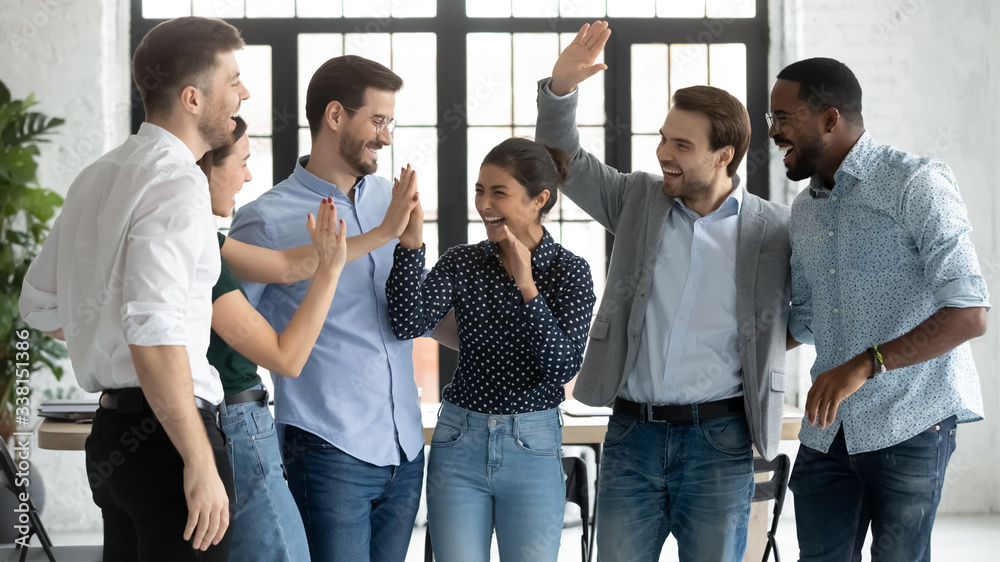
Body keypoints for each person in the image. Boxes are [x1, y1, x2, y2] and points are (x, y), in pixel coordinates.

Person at [535, 21, 795, 562]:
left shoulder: (773, 231)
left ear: (724, 155)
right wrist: (561, 90)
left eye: (681, 144)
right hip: (633, 436)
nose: (662, 153)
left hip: (720, 442)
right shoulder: (638, 200)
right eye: (662, 137)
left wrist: (761, 344)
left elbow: (801, 316)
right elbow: (565, 164)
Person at [19, 16, 249, 561]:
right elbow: (154, 331)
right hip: (169, 440)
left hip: (112, 436)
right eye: (233, 80)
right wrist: (197, 459)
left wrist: (101, 332)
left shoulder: (98, 174)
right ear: (192, 98)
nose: (245, 93)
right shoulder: (177, 182)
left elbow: (39, 304)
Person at [772, 57, 990, 562]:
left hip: (912, 418)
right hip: (828, 430)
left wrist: (864, 364)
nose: (774, 132)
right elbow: (804, 320)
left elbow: (969, 312)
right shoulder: (804, 211)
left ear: (830, 118)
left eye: (784, 118)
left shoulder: (917, 183)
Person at [227, 55, 423, 562]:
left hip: (405, 448)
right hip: (327, 447)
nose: (386, 136)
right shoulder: (264, 221)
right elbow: (230, 342)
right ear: (335, 116)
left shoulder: (393, 201)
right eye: (377, 120)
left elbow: (410, 307)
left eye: (390, 122)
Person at [386, 137, 596, 561]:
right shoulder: (462, 261)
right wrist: (411, 246)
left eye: (498, 192)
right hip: (459, 440)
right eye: (480, 190)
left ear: (539, 199)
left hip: (533, 444)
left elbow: (562, 366)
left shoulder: (570, 271)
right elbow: (407, 323)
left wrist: (527, 287)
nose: (484, 203)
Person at [196, 116, 346, 562]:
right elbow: (287, 358)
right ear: (206, 168)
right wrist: (331, 271)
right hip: (234, 420)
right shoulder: (198, 248)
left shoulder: (202, 236)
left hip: (231, 420)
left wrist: (382, 233)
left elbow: (284, 267)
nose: (249, 175)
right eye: (242, 162)